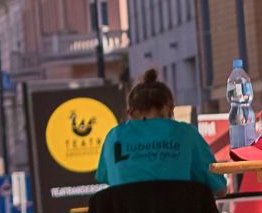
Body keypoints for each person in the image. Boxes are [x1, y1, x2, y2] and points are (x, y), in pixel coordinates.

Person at [95, 69, 227, 194]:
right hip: (177, 211)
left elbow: (108, 178)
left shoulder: (114, 137)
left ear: (131, 112)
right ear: (168, 109)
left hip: (127, 211)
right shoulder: (185, 134)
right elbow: (220, 189)